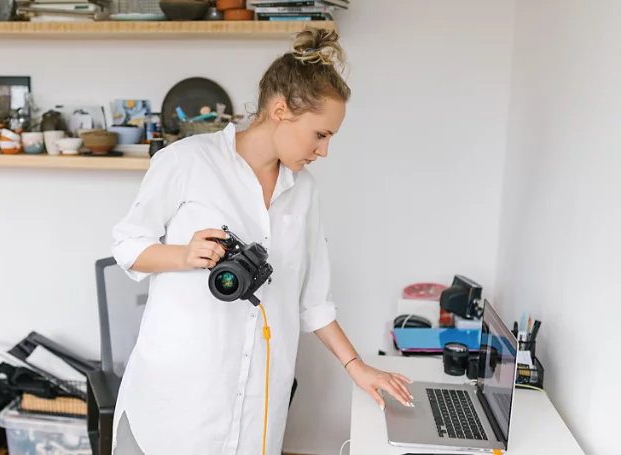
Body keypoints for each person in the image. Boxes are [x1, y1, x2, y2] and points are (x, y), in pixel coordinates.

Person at [110, 26, 414, 455]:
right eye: (320, 134)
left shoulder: (303, 191)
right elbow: (127, 245)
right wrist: (185, 254)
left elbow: (313, 301)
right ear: (280, 111)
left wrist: (357, 367)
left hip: (256, 409)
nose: (323, 151)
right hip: (173, 407)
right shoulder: (186, 161)